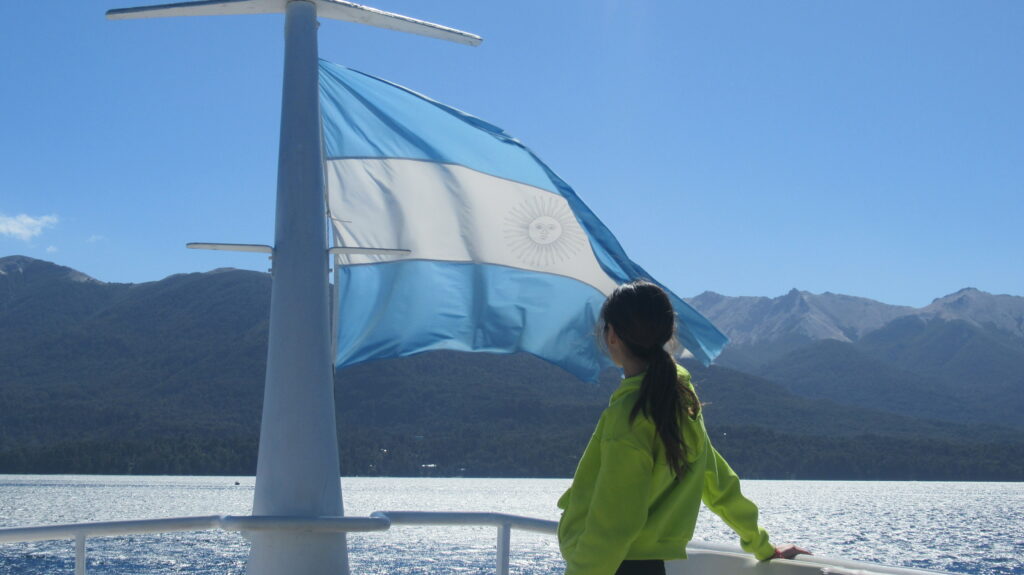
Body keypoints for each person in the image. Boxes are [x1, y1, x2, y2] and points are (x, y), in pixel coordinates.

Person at [557, 280, 809, 575]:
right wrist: (763, 546)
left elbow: (615, 524)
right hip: (652, 567)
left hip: (613, 566)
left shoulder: (629, 414)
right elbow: (718, 484)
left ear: (612, 335)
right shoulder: (680, 402)